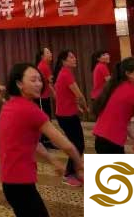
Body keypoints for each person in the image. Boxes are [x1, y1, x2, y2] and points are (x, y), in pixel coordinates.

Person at [0, 63, 83, 217]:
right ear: (19, 84)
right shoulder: (31, 110)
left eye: (39, 79)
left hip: (9, 181)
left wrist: (52, 159)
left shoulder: (9, 105)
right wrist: (79, 165)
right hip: (20, 183)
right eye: (33, 80)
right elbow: (66, 145)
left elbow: (30, 141)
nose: (39, 84)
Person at [93, 57, 134, 154]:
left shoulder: (116, 87)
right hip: (112, 143)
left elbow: (118, 119)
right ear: (128, 73)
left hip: (100, 139)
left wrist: (133, 138)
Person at [52, 50, 87, 187]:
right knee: (78, 145)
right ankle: (69, 174)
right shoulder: (66, 74)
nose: (74, 59)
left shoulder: (65, 73)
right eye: (71, 57)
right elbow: (79, 95)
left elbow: (65, 95)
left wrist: (77, 107)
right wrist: (85, 108)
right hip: (66, 116)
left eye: (74, 56)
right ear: (64, 61)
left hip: (67, 114)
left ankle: (74, 171)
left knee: (77, 144)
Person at [34, 48, 55, 148]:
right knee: (44, 119)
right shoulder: (43, 66)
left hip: (45, 96)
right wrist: (55, 93)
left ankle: (46, 140)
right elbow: (50, 82)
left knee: (47, 118)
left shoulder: (45, 65)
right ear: (42, 56)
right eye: (48, 52)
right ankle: (44, 141)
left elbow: (48, 82)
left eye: (50, 52)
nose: (50, 53)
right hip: (41, 97)